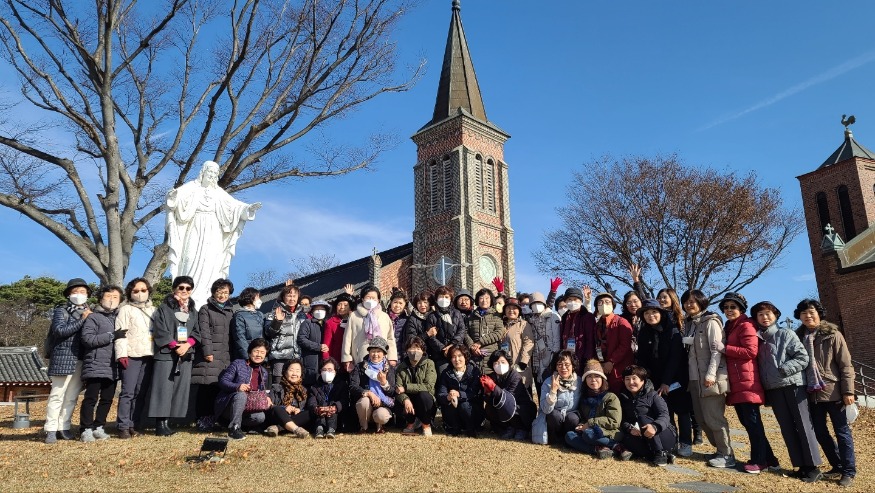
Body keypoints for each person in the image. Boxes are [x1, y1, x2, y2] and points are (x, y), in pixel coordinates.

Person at [165, 160, 260, 308]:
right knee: (190, 258)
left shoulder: (219, 193)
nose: (212, 175)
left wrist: (248, 209)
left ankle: (208, 298)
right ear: (203, 172)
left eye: (215, 173)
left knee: (212, 264)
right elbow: (176, 198)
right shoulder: (191, 187)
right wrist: (172, 196)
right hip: (195, 228)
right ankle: (188, 296)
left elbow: (235, 206)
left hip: (213, 232)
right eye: (210, 172)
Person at [752, 301, 822, 483]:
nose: (764, 317)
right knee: (787, 428)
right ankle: (800, 466)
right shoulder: (759, 339)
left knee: (803, 425)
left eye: (768, 313)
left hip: (794, 386)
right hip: (774, 390)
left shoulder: (786, 333)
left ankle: (813, 467)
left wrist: (784, 369)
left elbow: (803, 357)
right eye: (760, 315)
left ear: (775, 315)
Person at [794, 299, 856, 487]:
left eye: (811, 311)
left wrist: (848, 390)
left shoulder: (833, 334)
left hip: (834, 391)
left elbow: (845, 364)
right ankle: (837, 464)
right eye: (804, 313)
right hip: (811, 394)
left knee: (842, 432)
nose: (808, 315)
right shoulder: (797, 337)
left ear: (819, 313)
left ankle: (848, 471)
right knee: (820, 432)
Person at [717, 292, 777, 474]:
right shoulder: (730, 325)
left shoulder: (746, 325)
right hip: (737, 382)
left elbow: (751, 351)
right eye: (726, 307)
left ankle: (759, 461)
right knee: (748, 422)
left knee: (752, 423)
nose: (729, 310)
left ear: (741, 309)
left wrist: (725, 348)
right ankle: (771, 459)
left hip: (748, 381)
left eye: (733, 307)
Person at [634, 300, 694, 457]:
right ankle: (672, 441)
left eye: (654, 312)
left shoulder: (673, 331)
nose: (650, 316)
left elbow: (675, 359)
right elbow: (642, 357)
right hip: (656, 380)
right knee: (665, 411)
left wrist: (666, 382)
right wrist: (646, 377)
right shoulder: (644, 332)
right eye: (646, 313)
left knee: (682, 411)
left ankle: (686, 443)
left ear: (661, 313)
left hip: (677, 379)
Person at [682, 289, 733, 468]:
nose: (689, 304)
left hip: (710, 377)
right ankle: (719, 450)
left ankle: (727, 455)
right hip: (694, 379)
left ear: (702, 302)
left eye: (693, 301)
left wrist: (711, 374)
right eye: (686, 301)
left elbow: (716, 351)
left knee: (714, 418)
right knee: (702, 419)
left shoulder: (711, 321)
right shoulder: (689, 324)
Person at [148, 276, 198, 436]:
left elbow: (197, 331)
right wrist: (173, 344)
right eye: (181, 287)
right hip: (166, 354)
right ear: (174, 289)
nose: (184, 291)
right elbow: (159, 329)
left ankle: (168, 422)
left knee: (178, 389)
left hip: (185, 354)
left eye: (188, 288)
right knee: (163, 388)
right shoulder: (163, 308)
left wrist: (187, 344)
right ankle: (159, 424)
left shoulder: (193, 310)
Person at [44, 278, 92, 443]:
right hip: (63, 357)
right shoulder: (61, 311)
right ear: (69, 294)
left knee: (71, 396)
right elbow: (60, 331)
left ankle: (63, 426)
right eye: (75, 292)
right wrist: (82, 320)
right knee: (57, 394)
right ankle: (50, 428)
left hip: (81, 359)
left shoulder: (89, 312)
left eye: (83, 292)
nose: (79, 295)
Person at [79, 285, 123, 442]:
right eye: (108, 296)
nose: (111, 300)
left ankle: (99, 426)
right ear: (100, 298)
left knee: (107, 398)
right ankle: (85, 428)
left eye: (115, 297)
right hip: (95, 363)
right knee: (90, 398)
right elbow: (88, 339)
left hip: (113, 366)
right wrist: (112, 336)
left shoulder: (120, 317)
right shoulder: (93, 317)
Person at [659, 286, 702, 445]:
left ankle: (695, 434)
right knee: (670, 409)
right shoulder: (656, 318)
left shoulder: (681, 320)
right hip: (666, 370)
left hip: (682, 368)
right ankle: (673, 440)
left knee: (685, 407)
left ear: (673, 299)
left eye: (665, 297)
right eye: (660, 298)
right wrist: (637, 282)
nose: (662, 300)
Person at [191, 278, 234, 430]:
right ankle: (202, 421)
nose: (222, 295)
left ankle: (214, 420)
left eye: (226, 292)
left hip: (225, 356)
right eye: (219, 292)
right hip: (210, 356)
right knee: (206, 389)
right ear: (214, 293)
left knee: (218, 389)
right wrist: (207, 352)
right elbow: (204, 332)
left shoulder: (230, 311)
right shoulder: (206, 309)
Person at [115, 277, 155, 439]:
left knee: (141, 391)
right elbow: (120, 333)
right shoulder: (125, 310)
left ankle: (134, 423)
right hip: (131, 354)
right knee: (128, 392)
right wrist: (121, 353)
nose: (140, 293)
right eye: (136, 291)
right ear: (130, 293)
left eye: (143, 290)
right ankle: (123, 425)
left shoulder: (154, 310)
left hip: (149, 354)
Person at [617, 365, 677, 466]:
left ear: (643, 380)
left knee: (643, 418)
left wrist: (655, 426)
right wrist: (629, 428)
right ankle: (657, 455)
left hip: (664, 435)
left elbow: (665, 416)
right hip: (644, 437)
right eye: (627, 379)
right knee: (626, 440)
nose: (631, 382)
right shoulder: (623, 398)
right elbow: (623, 420)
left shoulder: (653, 395)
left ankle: (660, 452)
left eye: (634, 378)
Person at [564, 359, 623, 459]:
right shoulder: (585, 398)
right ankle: (599, 449)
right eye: (589, 377)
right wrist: (581, 425)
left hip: (609, 432)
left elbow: (614, 421)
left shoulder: (611, 397)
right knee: (569, 436)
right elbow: (584, 418)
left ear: (602, 379)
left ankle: (615, 445)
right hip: (589, 430)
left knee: (588, 434)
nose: (593, 380)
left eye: (597, 376)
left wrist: (590, 423)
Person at [215, 338, 271, 440]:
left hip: (248, 407)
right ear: (250, 352)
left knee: (260, 417)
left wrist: (267, 397)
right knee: (241, 395)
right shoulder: (238, 364)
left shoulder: (263, 372)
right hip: (228, 405)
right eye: (256, 351)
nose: (259, 355)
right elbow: (223, 381)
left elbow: (262, 390)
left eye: (262, 352)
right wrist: (237, 387)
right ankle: (234, 428)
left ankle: (243, 427)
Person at [481, 350, 536, 440]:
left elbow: (509, 399)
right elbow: (489, 399)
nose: (500, 365)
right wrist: (487, 392)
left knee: (509, 407)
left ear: (508, 363)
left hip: (520, 408)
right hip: (502, 409)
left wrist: (494, 387)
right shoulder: (491, 377)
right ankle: (507, 427)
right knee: (489, 408)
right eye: (496, 363)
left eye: (503, 362)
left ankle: (521, 428)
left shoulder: (515, 376)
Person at [342, 285, 398, 372]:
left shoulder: (384, 316)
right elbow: (347, 338)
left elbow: (390, 338)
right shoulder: (354, 316)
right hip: (360, 357)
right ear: (362, 299)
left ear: (379, 300)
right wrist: (347, 358)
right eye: (368, 297)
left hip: (381, 359)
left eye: (374, 298)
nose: (371, 300)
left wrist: (392, 357)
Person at [532, 350, 582, 445]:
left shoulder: (579, 382)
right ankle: (554, 439)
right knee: (554, 415)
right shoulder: (548, 382)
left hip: (570, 416)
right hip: (555, 418)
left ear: (573, 366)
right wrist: (553, 391)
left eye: (567, 365)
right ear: (555, 366)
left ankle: (568, 439)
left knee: (573, 418)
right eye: (559, 364)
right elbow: (545, 410)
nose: (563, 368)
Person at [349, 336, 397, 433]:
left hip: (383, 404)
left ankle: (380, 426)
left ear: (384, 354)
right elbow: (353, 386)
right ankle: (364, 426)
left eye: (378, 351)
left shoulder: (390, 369)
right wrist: (368, 393)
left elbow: (392, 392)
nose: (375, 354)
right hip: (366, 403)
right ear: (369, 352)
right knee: (364, 402)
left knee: (381, 415)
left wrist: (384, 382)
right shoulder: (360, 367)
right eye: (373, 351)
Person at [264, 283, 308, 384]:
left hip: (296, 356)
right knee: (278, 384)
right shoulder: (274, 312)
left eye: (294, 296)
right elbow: (268, 333)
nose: (292, 298)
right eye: (289, 295)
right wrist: (277, 321)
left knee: (295, 385)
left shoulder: (302, 315)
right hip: (279, 355)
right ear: (283, 297)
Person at [437, 344, 483, 437]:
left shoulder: (474, 371)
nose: (457, 359)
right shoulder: (446, 373)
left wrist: (459, 394)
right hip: (453, 409)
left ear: (465, 357)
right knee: (449, 404)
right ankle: (454, 428)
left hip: (471, 409)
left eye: (460, 356)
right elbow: (441, 393)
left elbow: (474, 393)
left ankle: (471, 429)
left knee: (464, 405)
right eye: (453, 357)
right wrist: (448, 397)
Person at [396, 337, 438, 436]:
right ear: (407, 350)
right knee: (400, 399)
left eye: (418, 348)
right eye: (412, 348)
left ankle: (426, 424)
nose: (415, 351)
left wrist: (406, 388)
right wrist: (405, 399)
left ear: (423, 351)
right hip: (410, 400)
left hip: (424, 400)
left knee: (424, 396)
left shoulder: (429, 364)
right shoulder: (401, 367)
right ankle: (411, 423)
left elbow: (428, 386)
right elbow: (398, 388)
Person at [593, 292, 634, 394]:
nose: (604, 305)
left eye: (607, 302)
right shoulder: (597, 325)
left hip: (620, 368)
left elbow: (625, 345)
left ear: (613, 305)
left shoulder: (621, 322)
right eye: (600, 303)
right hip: (603, 368)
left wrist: (611, 361)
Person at [423, 286, 466, 375]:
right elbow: (431, 337)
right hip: (440, 355)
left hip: (456, 352)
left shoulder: (456, 313)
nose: (443, 299)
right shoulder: (432, 316)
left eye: (446, 297)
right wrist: (443, 349)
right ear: (436, 299)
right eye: (441, 297)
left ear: (451, 299)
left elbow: (461, 330)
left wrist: (452, 345)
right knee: (443, 378)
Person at [464, 288, 505, 375]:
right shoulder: (471, 316)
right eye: (481, 298)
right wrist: (472, 346)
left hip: (491, 356)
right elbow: (465, 332)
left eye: (487, 298)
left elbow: (499, 332)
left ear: (491, 300)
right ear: (477, 300)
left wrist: (480, 342)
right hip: (474, 356)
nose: (484, 300)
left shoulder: (496, 315)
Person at [306, 357, 348, 438]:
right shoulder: (314, 387)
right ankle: (319, 429)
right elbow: (311, 402)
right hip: (319, 414)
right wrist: (317, 409)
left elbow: (345, 401)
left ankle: (331, 430)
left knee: (332, 412)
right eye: (324, 370)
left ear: (335, 371)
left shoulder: (342, 385)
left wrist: (335, 407)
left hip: (337, 415)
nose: (326, 372)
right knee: (320, 414)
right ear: (320, 372)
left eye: (330, 369)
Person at [528, 291, 561, 389]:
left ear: (544, 304)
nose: (536, 306)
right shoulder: (530, 320)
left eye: (539, 303)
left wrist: (554, 356)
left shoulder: (553, 316)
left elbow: (557, 338)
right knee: (539, 387)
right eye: (533, 304)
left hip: (550, 357)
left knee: (550, 387)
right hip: (536, 358)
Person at [501, 298, 535, 388]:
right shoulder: (501, 325)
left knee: (522, 394)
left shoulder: (523, 324)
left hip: (519, 366)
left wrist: (523, 362)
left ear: (519, 311)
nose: (511, 310)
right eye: (508, 308)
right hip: (505, 366)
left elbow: (529, 343)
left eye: (514, 308)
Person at [559, 287, 597, 364]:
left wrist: (587, 360)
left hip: (582, 358)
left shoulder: (587, 316)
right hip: (567, 358)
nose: (572, 302)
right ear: (565, 301)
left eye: (575, 299)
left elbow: (590, 340)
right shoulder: (564, 317)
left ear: (581, 301)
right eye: (569, 299)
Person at [298, 300, 330, 386]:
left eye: (322, 309)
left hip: (325, 360)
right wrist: (318, 347)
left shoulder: (328, 324)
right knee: (309, 384)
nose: (319, 311)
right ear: (312, 311)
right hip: (310, 360)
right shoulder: (307, 323)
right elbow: (301, 339)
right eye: (317, 309)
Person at [232, 287, 264, 360]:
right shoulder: (240, 315)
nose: (259, 300)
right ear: (251, 298)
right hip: (247, 357)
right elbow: (240, 338)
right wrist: (247, 356)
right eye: (258, 297)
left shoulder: (260, 315)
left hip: (260, 356)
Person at [323, 293, 355, 364]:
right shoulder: (330, 323)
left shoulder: (356, 320)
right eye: (339, 304)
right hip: (337, 360)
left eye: (345, 305)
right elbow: (326, 346)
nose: (342, 307)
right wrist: (327, 361)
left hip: (354, 360)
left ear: (350, 307)